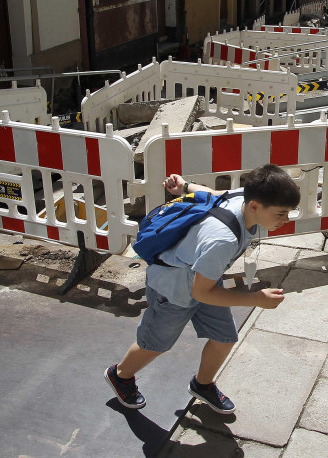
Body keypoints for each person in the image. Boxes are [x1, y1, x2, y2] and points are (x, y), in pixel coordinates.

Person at [105, 163, 301, 414]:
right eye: (281, 214)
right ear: (255, 206)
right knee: (155, 344)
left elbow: (213, 194)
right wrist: (255, 299)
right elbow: (201, 293)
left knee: (224, 338)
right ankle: (119, 375)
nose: (285, 220)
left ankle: (202, 385)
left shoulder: (244, 196)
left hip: (204, 278)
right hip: (172, 289)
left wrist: (184, 187)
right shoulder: (222, 240)